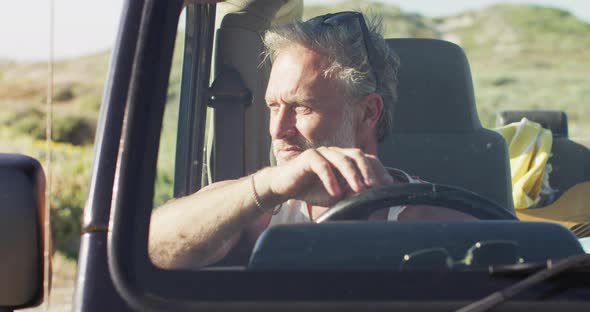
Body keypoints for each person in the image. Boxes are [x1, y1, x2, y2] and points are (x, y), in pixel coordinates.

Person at [149, 11, 475, 270]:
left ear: (367, 112)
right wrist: (269, 186)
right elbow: (147, 248)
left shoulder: (432, 221)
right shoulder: (259, 210)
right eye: (273, 107)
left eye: (302, 107)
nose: (278, 129)